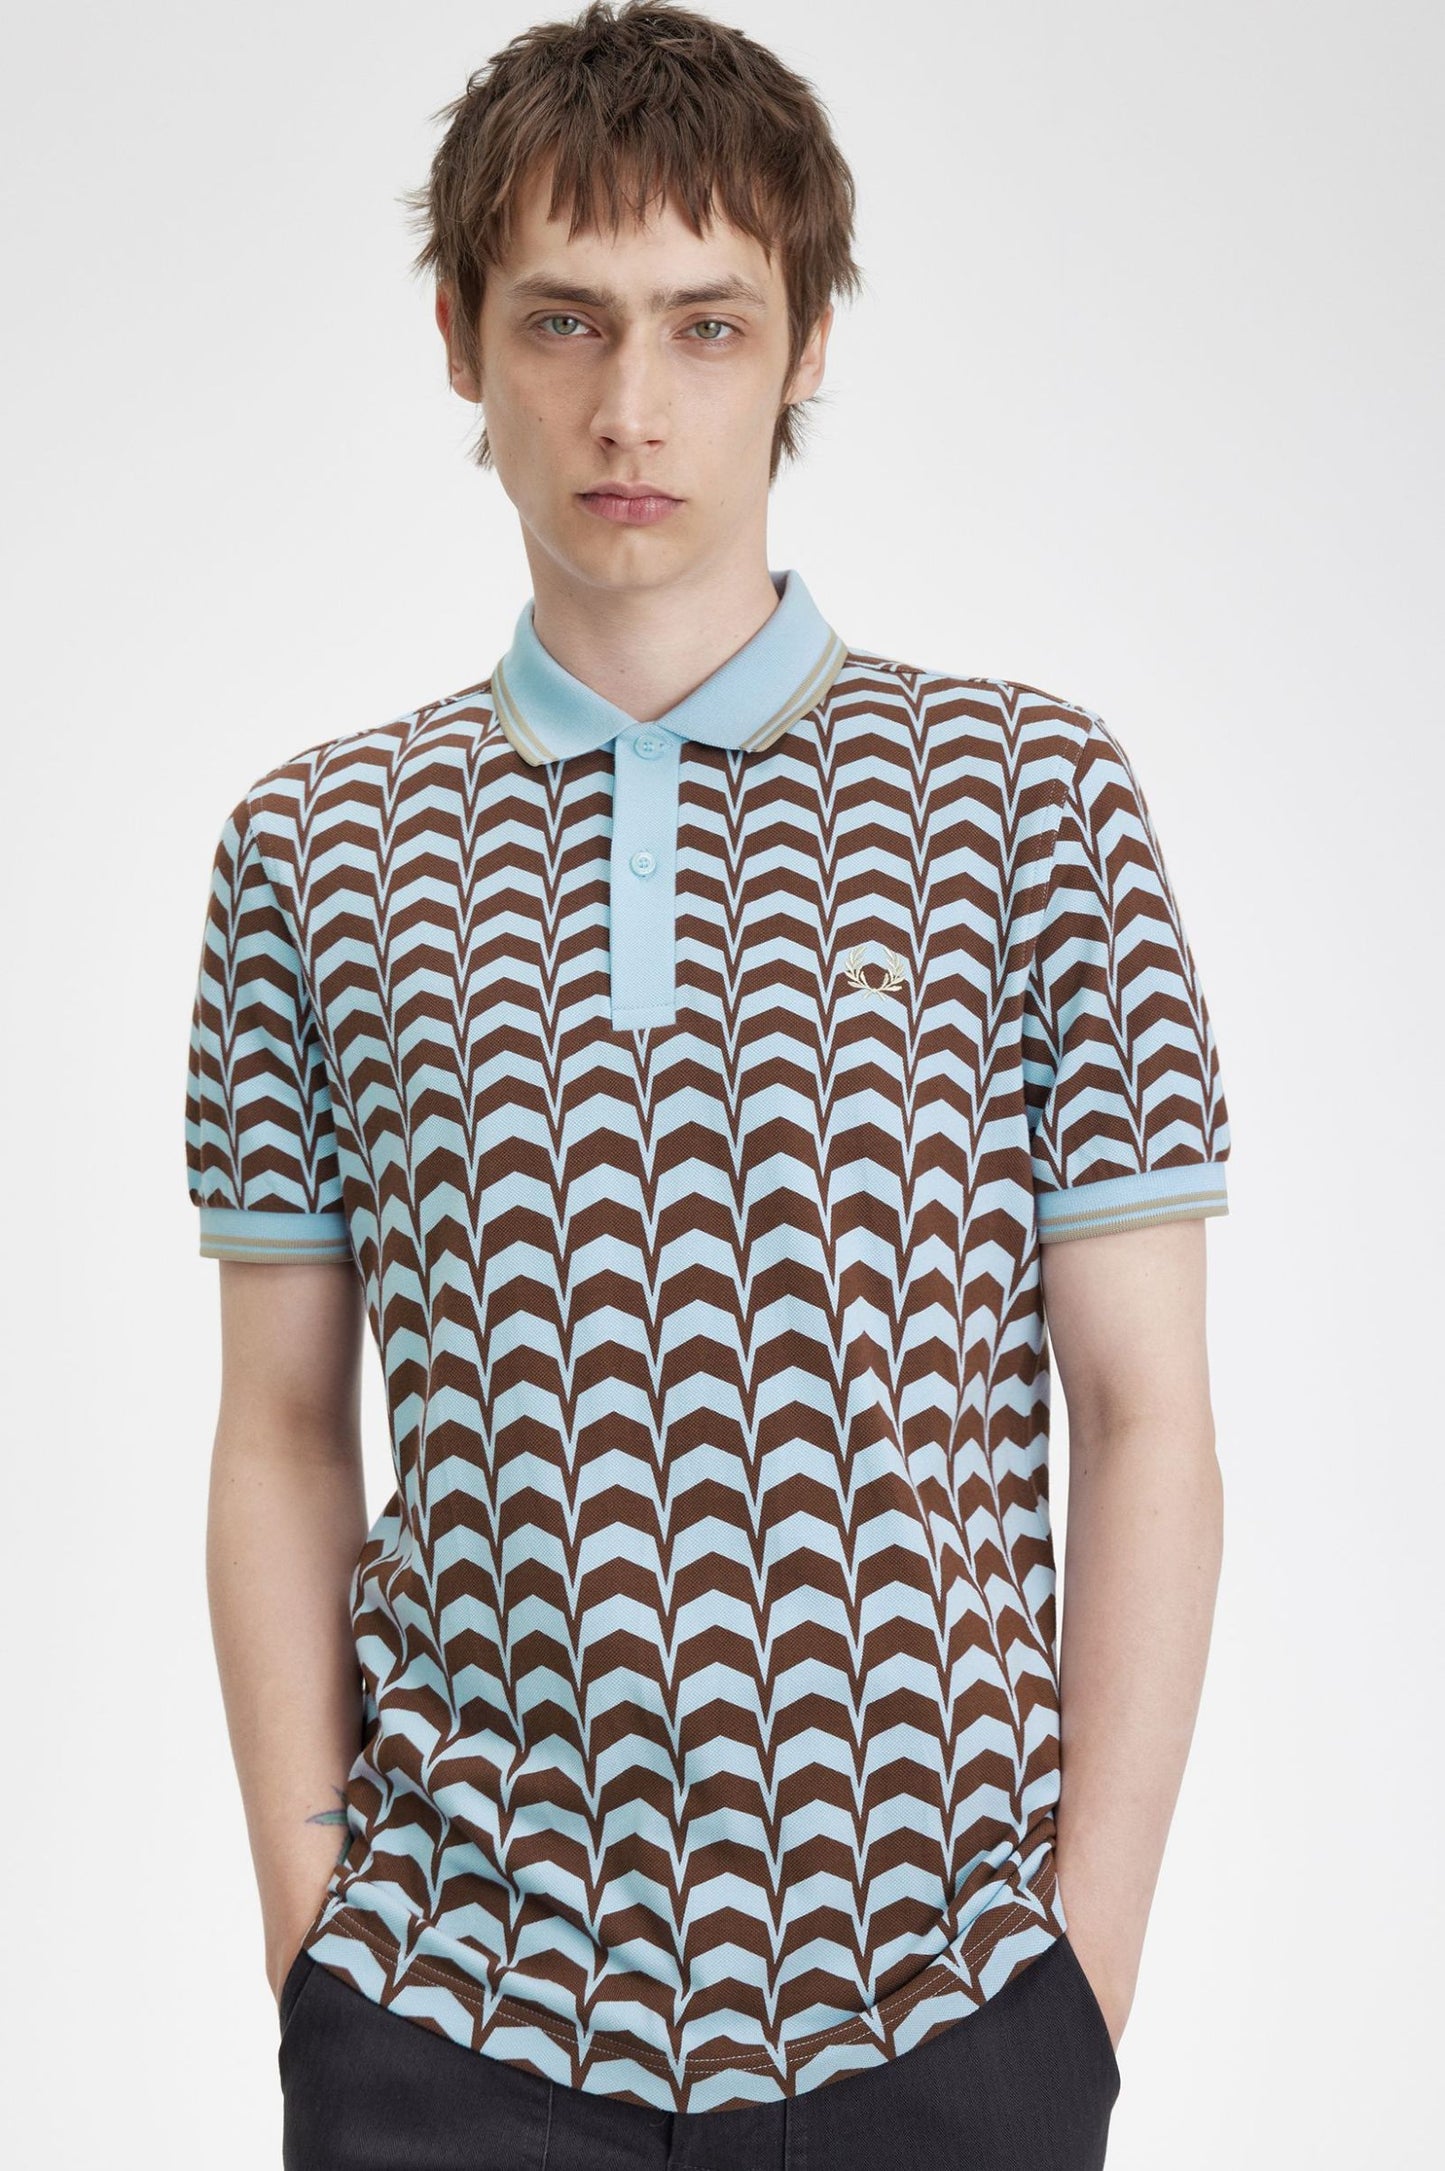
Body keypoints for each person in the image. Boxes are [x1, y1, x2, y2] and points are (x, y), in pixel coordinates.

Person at [184, 5, 1232, 2166]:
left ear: (806, 343)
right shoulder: (313, 851)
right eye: (563, 320)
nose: (631, 407)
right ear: (460, 338)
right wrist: (316, 1945)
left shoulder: (1030, 804)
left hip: (943, 2003)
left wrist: (1080, 1977)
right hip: (446, 2009)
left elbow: (1143, 1412)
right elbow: (281, 1430)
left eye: (707, 324)